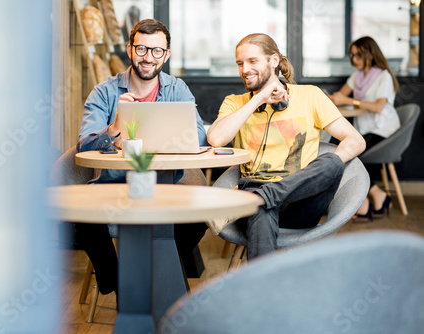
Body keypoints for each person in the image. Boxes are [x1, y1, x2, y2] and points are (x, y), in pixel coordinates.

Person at [75, 19, 208, 297]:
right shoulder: (105, 91)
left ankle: (146, 274)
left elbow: (198, 136)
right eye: (142, 49)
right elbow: (84, 145)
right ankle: (120, 283)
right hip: (113, 186)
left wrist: (166, 137)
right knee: (83, 217)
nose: (148, 58)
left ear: (166, 55)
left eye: (157, 51)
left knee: (198, 221)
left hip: (163, 188)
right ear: (130, 49)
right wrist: (114, 127)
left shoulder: (176, 89)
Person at [207, 33, 365, 259]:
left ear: (273, 61)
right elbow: (216, 139)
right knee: (260, 209)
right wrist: (258, 99)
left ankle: (264, 196)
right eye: (240, 63)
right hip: (252, 198)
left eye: (253, 61)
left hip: (300, 201)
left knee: (333, 162)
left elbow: (356, 141)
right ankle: (266, 292)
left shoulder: (311, 95)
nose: (244, 69)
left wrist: (270, 193)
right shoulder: (235, 102)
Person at [328, 36, 399, 222]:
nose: (354, 60)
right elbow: (340, 96)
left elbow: (378, 107)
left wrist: (348, 101)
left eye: (358, 55)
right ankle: (377, 195)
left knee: (351, 155)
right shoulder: (357, 76)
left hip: (383, 130)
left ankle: (366, 200)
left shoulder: (383, 76)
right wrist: (330, 98)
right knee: (343, 151)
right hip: (365, 129)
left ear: (369, 54)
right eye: (352, 56)